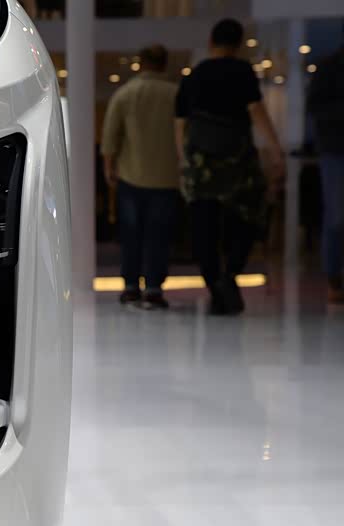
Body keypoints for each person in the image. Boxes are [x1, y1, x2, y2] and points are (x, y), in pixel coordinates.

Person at [175, 18, 285, 315]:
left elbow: (180, 125)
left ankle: (215, 286)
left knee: (204, 225)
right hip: (238, 160)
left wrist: (184, 160)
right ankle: (230, 273)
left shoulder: (194, 76)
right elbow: (256, 111)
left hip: (202, 163)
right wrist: (275, 149)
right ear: (239, 44)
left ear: (211, 41)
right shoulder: (242, 71)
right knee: (246, 218)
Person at [102, 45, 180, 309]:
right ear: (164, 64)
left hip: (131, 176)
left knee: (131, 235)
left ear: (141, 64)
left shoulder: (125, 94)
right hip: (167, 177)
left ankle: (131, 287)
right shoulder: (175, 94)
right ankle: (154, 288)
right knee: (159, 235)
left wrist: (109, 168)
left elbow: (110, 136)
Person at [307, 36, 344, 304]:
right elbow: (315, 107)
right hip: (335, 148)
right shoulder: (330, 68)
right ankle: (333, 278)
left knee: (336, 214)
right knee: (336, 215)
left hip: (333, 147)